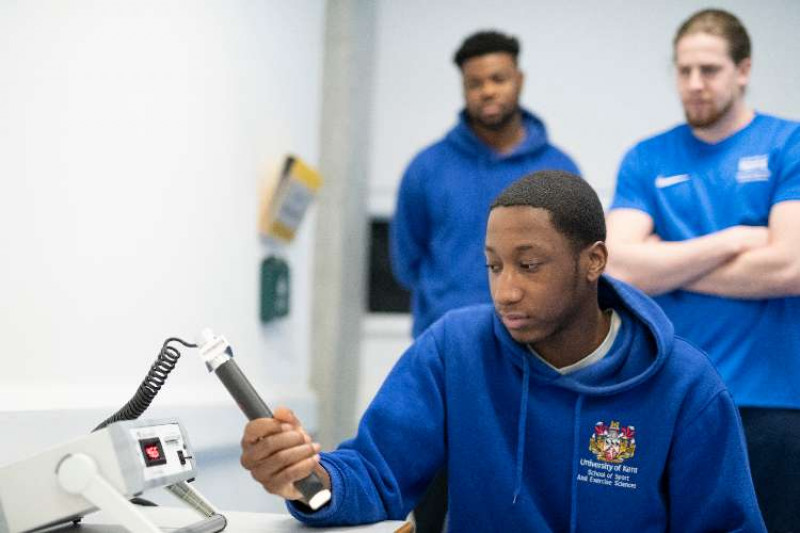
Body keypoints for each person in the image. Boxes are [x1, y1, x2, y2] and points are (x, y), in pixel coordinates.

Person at [241, 170, 766, 532]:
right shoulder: (455, 350)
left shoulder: (684, 385)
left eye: (529, 264)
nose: (505, 291)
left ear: (594, 261)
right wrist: (307, 479)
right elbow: (377, 477)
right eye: (494, 265)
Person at [605, 9, 800, 531]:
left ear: (743, 70)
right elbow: (620, 266)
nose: (694, 84)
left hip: (774, 403)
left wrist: (667, 261)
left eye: (709, 70)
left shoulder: (789, 145)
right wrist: (735, 240)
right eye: (683, 70)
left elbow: (789, 265)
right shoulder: (646, 158)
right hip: (670, 397)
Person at [390, 30, 579, 339]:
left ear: (519, 80)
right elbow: (407, 263)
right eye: (475, 84)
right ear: (463, 89)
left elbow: (573, 264)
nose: (487, 91)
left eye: (498, 79)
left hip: (539, 347)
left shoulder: (558, 170)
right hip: (447, 343)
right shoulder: (426, 168)